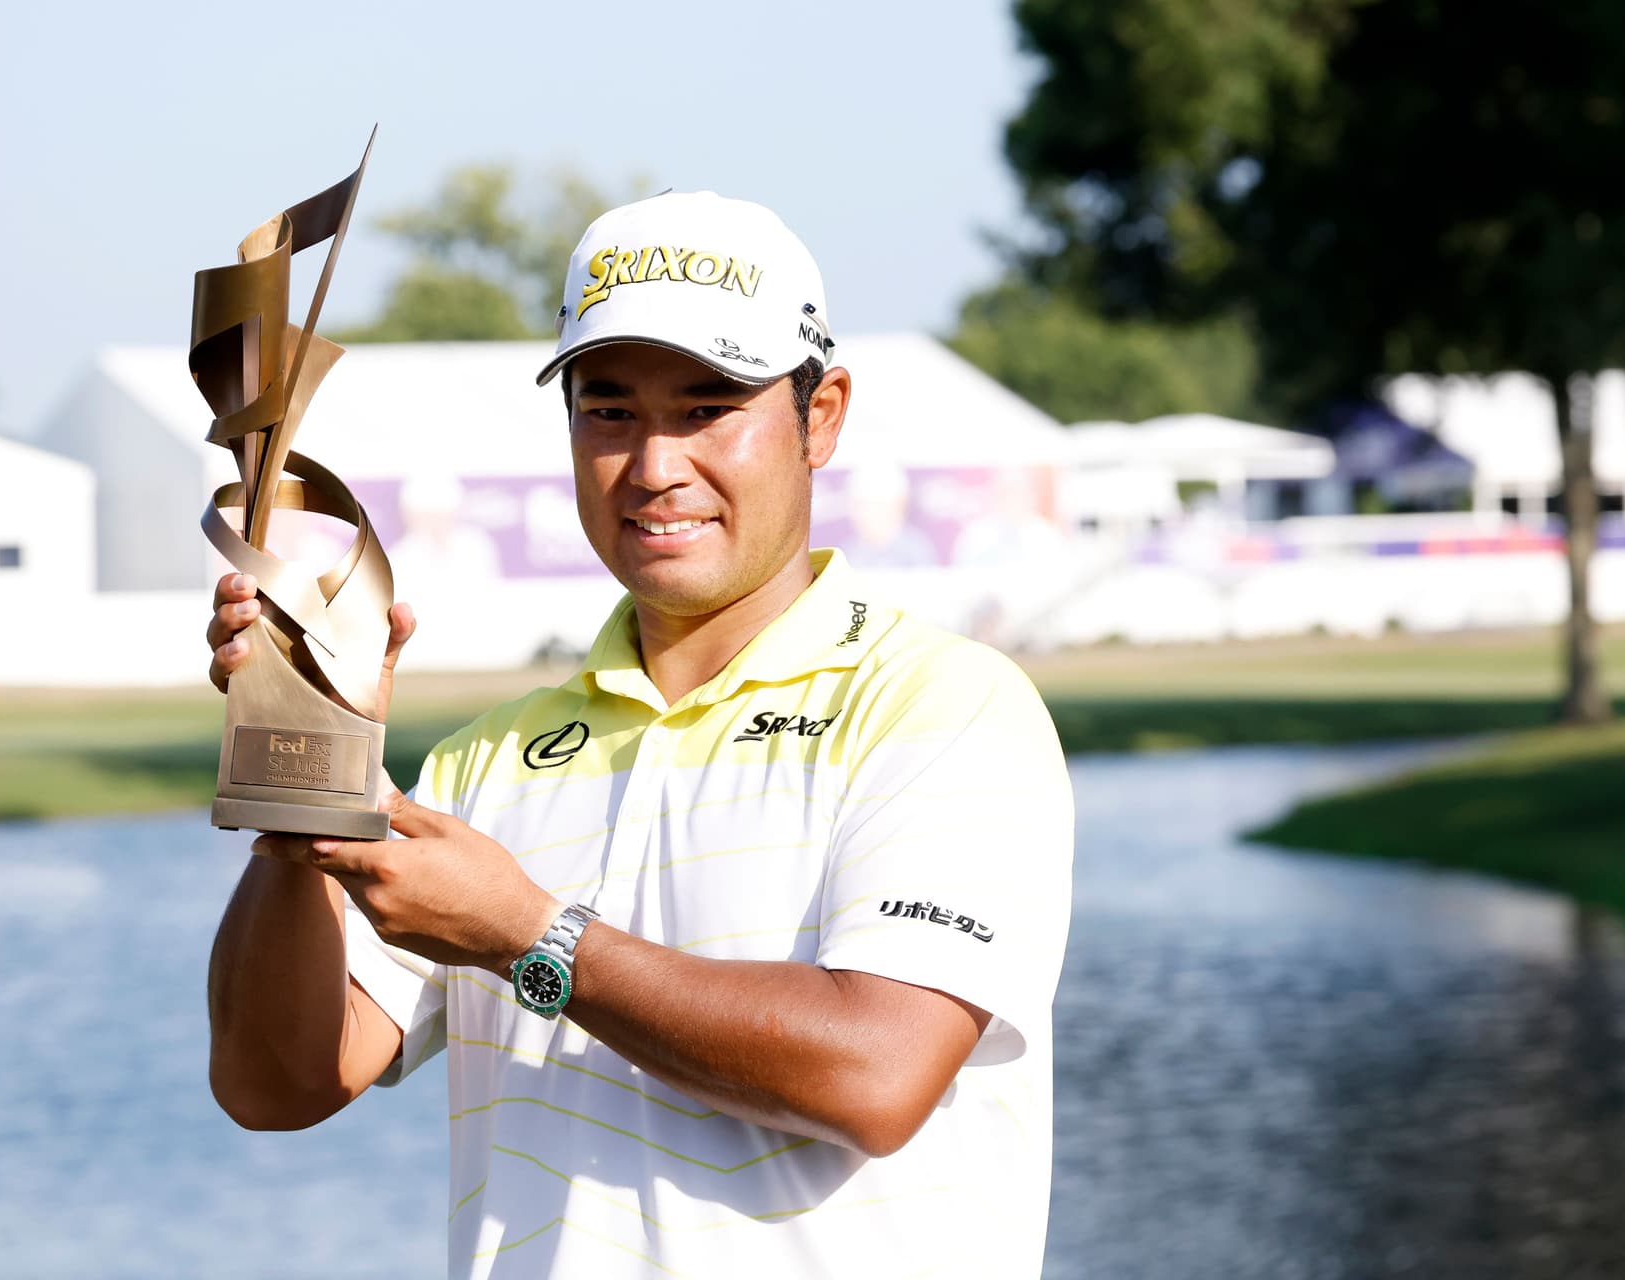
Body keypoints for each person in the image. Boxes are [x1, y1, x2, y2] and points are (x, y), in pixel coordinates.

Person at [203, 191, 1074, 1279]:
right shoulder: (486, 760)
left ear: (822, 415)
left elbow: (876, 1072)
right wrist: (308, 773)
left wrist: (530, 936)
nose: (655, 464)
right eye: (609, 410)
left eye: (707, 407)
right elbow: (273, 1082)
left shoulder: (944, 703)